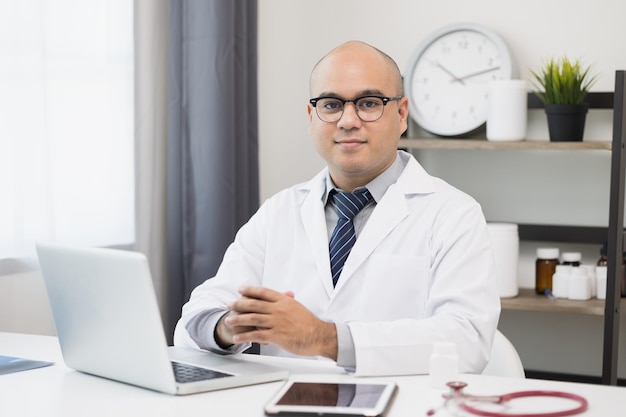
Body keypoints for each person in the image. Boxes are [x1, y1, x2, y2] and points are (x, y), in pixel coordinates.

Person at [174, 40, 500, 376]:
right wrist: (229, 327)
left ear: (401, 114)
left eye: (369, 103)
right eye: (331, 105)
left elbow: (466, 341)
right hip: (285, 406)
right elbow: (194, 321)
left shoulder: (453, 214)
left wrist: (326, 339)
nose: (348, 120)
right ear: (311, 115)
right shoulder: (280, 212)